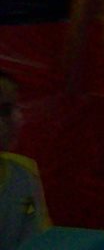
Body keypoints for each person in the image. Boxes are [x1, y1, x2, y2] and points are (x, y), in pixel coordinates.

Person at [0, 69, 50, 246]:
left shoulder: (24, 174)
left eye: (16, 108)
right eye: (4, 110)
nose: (17, 118)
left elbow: (37, 239)